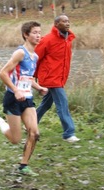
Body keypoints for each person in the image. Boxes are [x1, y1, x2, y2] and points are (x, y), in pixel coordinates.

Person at [0, 21, 48, 177]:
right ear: (26, 34)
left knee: (34, 133)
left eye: (40, 32)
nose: (38, 35)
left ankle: (23, 166)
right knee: (15, 139)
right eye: (35, 33)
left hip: (27, 99)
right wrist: (16, 90)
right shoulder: (20, 53)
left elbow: (28, 77)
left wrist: (38, 87)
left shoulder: (35, 56)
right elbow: (3, 73)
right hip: (13, 98)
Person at [34, 14, 80, 143]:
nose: (67, 23)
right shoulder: (47, 40)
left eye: (68, 21)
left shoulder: (68, 40)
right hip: (50, 77)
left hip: (59, 78)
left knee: (46, 104)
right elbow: (35, 58)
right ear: (56, 24)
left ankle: (31, 124)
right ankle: (69, 133)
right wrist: (33, 76)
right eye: (64, 21)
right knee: (62, 103)